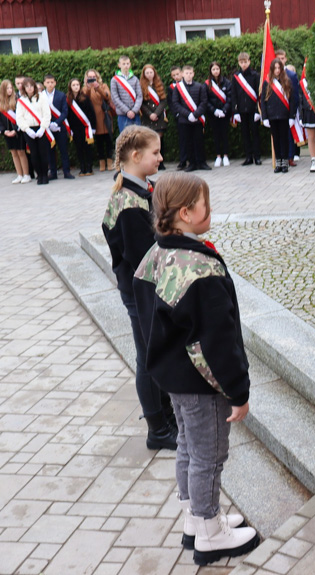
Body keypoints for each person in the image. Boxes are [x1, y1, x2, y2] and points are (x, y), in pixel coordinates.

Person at [132, 172, 259, 566]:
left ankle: (195, 515)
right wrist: (237, 391)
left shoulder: (154, 255)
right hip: (202, 385)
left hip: (174, 379)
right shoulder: (198, 271)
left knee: (188, 446)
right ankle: (208, 532)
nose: (211, 208)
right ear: (186, 213)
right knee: (209, 455)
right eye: (206, 203)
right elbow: (216, 342)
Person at [101, 125, 178, 448]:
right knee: (149, 356)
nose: (161, 158)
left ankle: (167, 415)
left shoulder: (143, 189)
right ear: (136, 156)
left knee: (156, 351)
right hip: (142, 293)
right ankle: (157, 429)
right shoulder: (129, 203)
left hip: (149, 290)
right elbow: (142, 258)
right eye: (155, 153)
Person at [260, 59, 296, 173]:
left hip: (284, 115)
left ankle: (285, 162)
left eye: (279, 68)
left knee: (284, 139)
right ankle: (278, 162)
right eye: (275, 68)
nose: (277, 70)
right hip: (272, 115)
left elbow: (292, 100)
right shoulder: (267, 82)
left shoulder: (287, 81)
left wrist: (292, 116)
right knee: (276, 140)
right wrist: (264, 117)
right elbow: (263, 101)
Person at [171, 65, 209, 172]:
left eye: (190, 73)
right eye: (186, 73)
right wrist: (188, 115)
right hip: (184, 120)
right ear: (182, 74)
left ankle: (202, 162)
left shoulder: (199, 86)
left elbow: (204, 102)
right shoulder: (178, 88)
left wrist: (196, 114)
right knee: (188, 142)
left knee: (199, 141)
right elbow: (176, 103)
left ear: (193, 74)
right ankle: (191, 163)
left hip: (197, 120)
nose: (188, 75)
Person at [16, 77, 51, 185]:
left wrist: (43, 128)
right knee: (34, 154)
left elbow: (46, 114)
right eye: (27, 87)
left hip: (40, 128)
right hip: (29, 130)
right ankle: (39, 175)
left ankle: (45, 175)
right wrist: (26, 129)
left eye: (31, 86)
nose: (29, 88)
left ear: (34, 87)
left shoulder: (42, 98)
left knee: (43, 153)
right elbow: (19, 118)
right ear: (24, 88)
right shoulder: (21, 101)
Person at [231, 52, 262, 166]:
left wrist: (257, 111)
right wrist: (235, 111)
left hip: (252, 109)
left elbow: (259, 94)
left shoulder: (255, 75)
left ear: (249, 61)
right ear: (239, 63)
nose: (243, 64)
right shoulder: (236, 77)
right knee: (245, 134)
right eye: (241, 62)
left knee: (255, 133)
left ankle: (257, 157)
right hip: (241, 110)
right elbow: (233, 94)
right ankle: (248, 156)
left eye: (245, 62)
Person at [42, 74, 74, 180]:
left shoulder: (61, 95)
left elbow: (65, 112)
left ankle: (66, 171)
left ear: (55, 83)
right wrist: (47, 124)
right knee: (50, 151)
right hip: (47, 128)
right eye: (48, 82)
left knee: (63, 150)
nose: (50, 84)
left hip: (59, 127)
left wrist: (57, 123)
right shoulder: (41, 96)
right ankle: (53, 172)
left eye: (52, 82)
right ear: (44, 83)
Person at [83, 69, 115, 172]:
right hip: (94, 117)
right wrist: (89, 88)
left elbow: (107, 96)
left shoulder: (103, 86)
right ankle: (102, 162)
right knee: (99, 141)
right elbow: (84, 99)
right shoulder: (85, 88)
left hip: (105, 116)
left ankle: (110, 161)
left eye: (93, 77)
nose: (92, 79)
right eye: (89, 77)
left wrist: (98, 87)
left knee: (109, 140)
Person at [1, 79, 30, 184]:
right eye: (7, 88)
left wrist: (15, 130)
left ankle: (26, 174)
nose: (9, 90)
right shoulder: (1, 103)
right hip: (7, 133)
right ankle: (19, 174)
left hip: (18, 131)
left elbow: (21, 116)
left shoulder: (18, 100)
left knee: (21, 152)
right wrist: (4, 131)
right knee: (14, 153)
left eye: (10, 88)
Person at [140, 64, 168, 170]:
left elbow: (163, 100)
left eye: (151, 72)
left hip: (159, 116)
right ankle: (152, 162)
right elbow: (142, 103)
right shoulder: (142, 86)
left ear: (154, 73)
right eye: (147, 73)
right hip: (148, 117)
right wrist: (150, 114)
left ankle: (161, 162)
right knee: (150, 141)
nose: (149, 74)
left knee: (160, 140)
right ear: (144, 74)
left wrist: (156, 113)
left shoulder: (159, 84)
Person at [67, 78, 97, 176]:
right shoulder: (68, 99)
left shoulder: (85, 98)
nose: (76, 87)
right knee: (78, 148)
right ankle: (82, 167)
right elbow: (67, 115)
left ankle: (89, 167)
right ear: (70, 87)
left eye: (77, 85)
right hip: (75, 128)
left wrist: (93, 127)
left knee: (87, 147)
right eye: (73, 85)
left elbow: (91, 112)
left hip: (85, 127)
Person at [205, 61, 232, 168]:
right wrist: (214, 110)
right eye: (213, 69)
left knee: (224, 135)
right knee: (216, 135)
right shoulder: (207, 84)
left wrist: (224, 110)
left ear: (220, 70)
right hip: (213, 114)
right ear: (211, 71)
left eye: (217, 69)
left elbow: (230, 98)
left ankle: (225, 155)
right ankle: (218, 156)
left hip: (225, 113)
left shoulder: (226, 82)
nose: (215, 71)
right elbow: (206, 100)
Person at [299, 69, 315, 172]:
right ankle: (313, 160)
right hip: (308, 113)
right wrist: (301, 116)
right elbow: (299, 100)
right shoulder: (302, 83)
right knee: (311, 138)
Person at [111, 55, 143, 133]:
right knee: (125, 139)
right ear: (119, 65)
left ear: (130, 64)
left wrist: (134, 110)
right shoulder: (114, 80)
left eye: (127, 63)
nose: (126, 66)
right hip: (123, 114)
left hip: (135, 113)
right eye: (124, 64)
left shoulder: (135, 79)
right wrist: (127, 111)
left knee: (137, 139)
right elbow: (115, 97)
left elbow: (139, 96)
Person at [167, 67, 189, 170]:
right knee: (183, 139)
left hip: (190, 114)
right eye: (174, 75)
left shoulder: (188, 84)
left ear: (181, 73)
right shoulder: (171, 87)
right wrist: (176, 114)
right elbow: (171, 103)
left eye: (178, 74)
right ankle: (183, 161)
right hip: (180, 116)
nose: (176, 76)